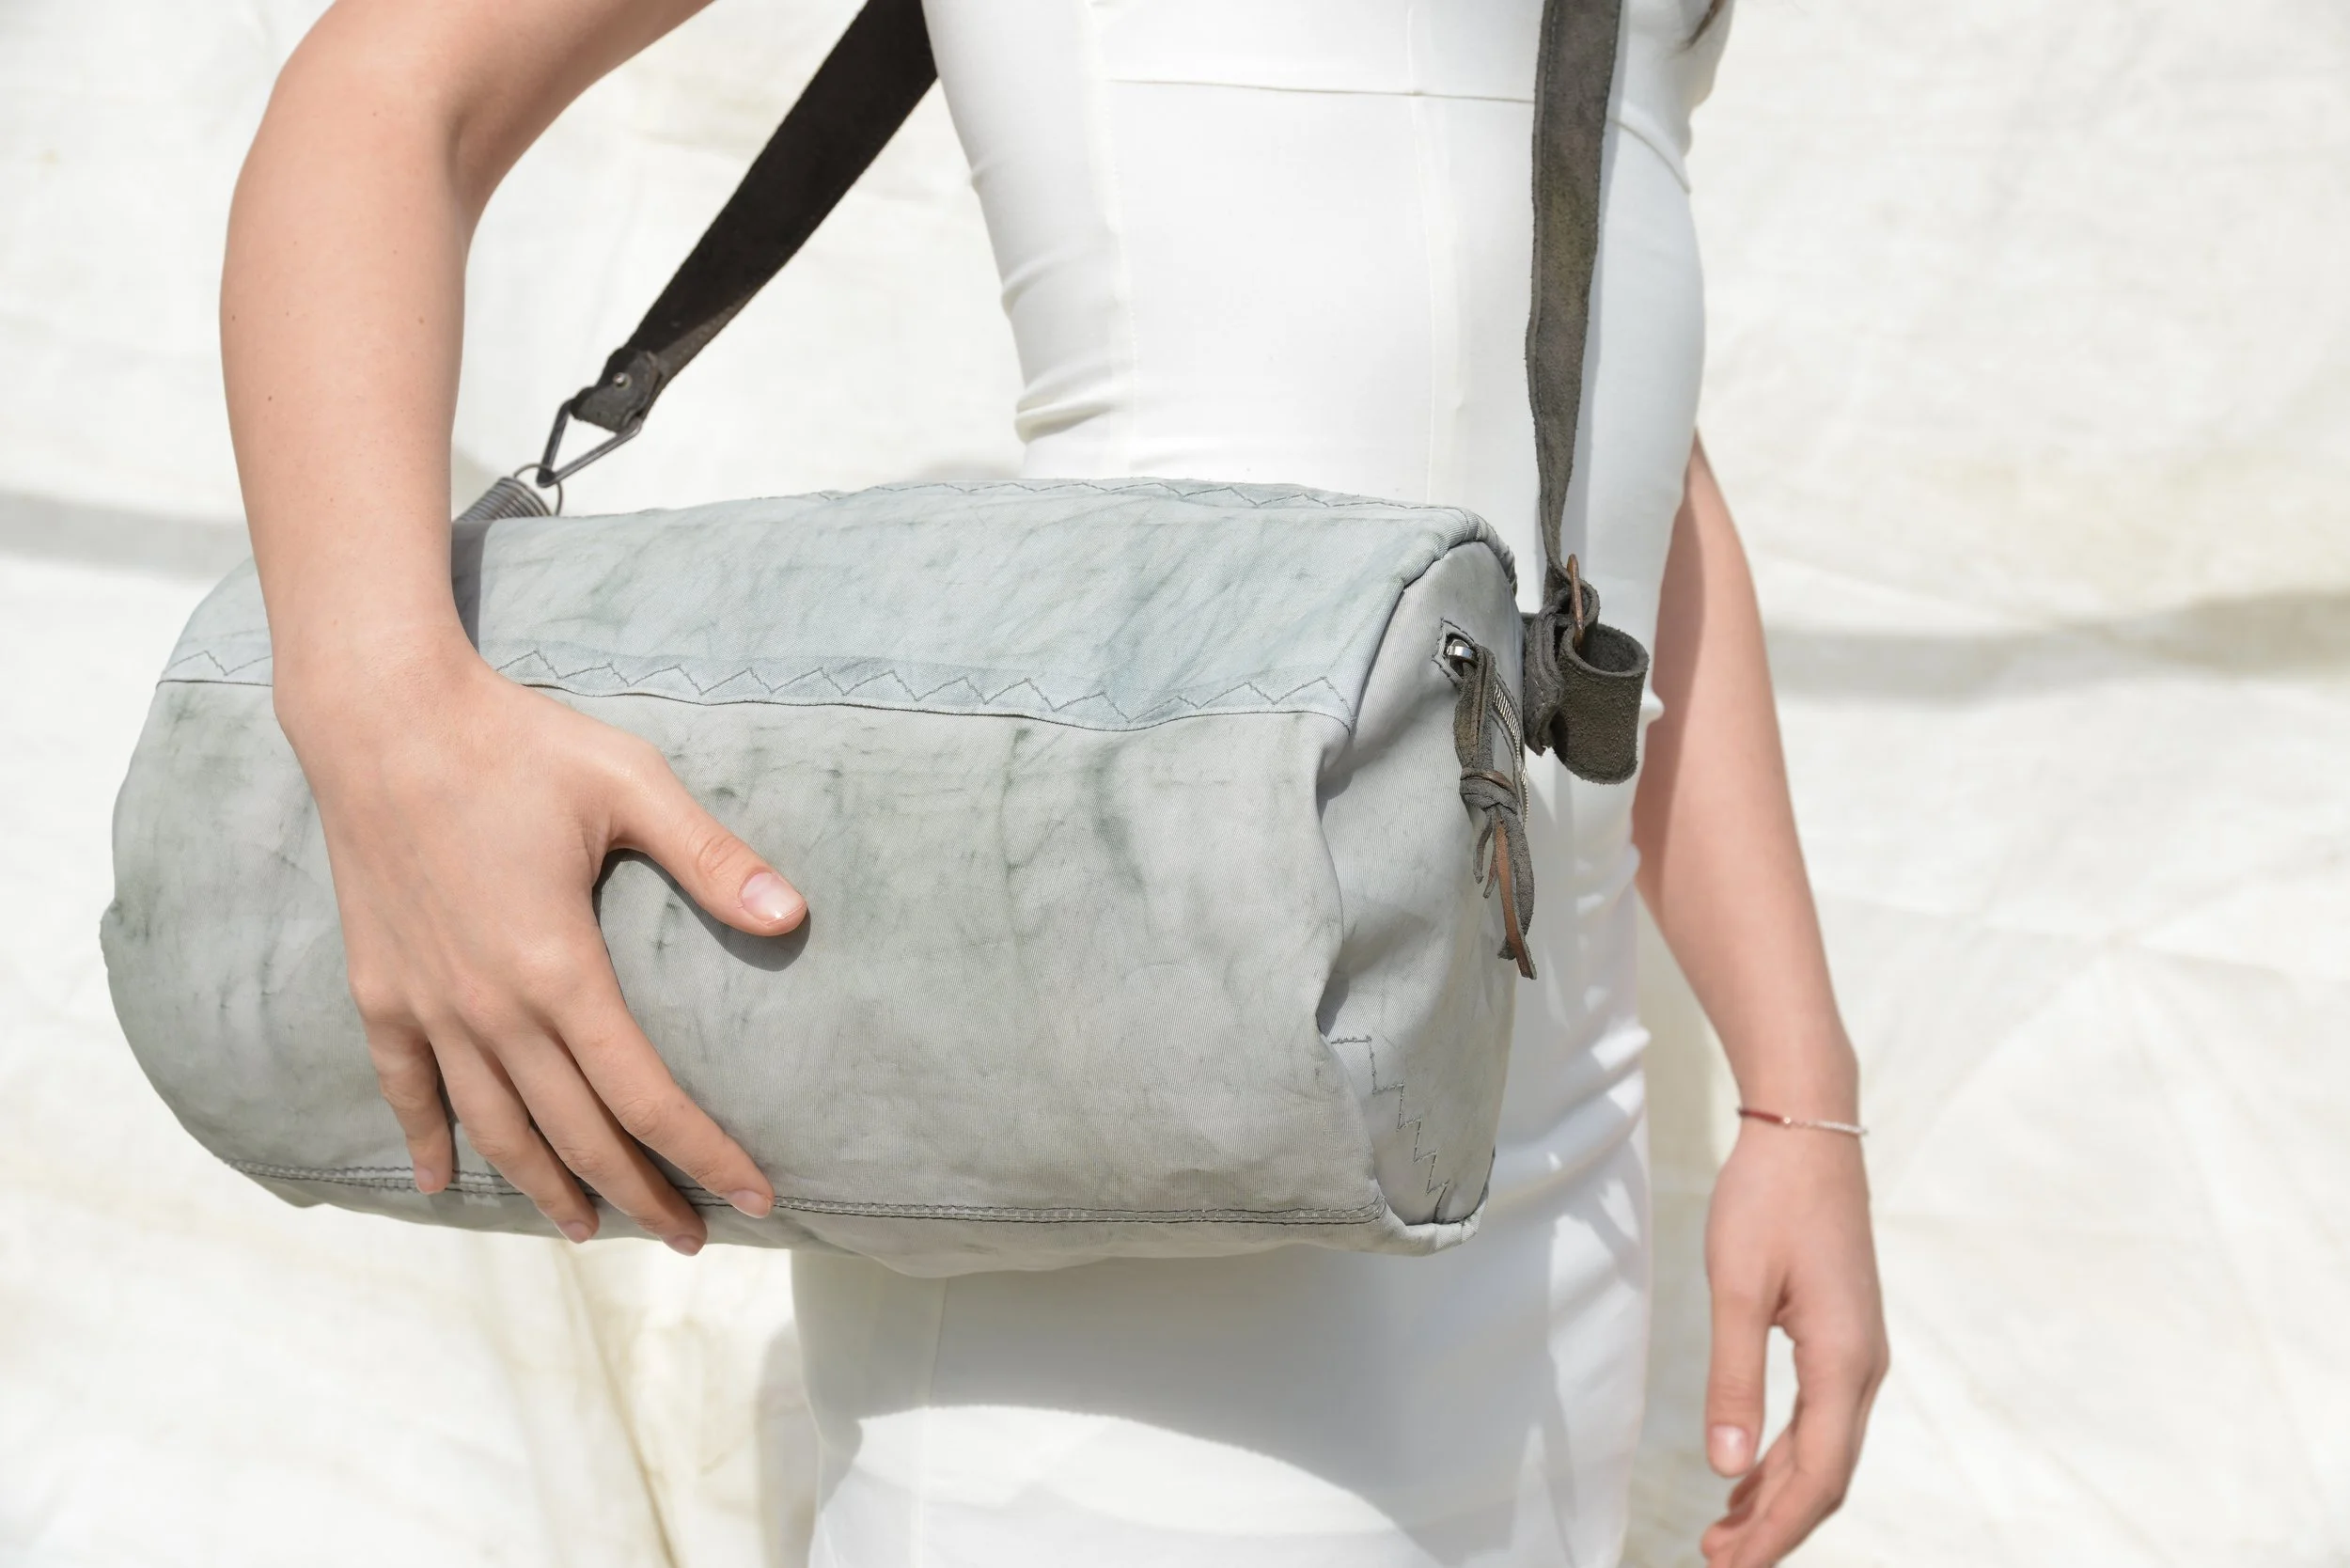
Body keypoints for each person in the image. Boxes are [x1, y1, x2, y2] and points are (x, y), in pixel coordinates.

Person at [220, 0, 1888, 1561]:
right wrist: (389, 728)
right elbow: (390, 90)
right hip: (1136, 1152)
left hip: (1557, 1209)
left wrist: (1797, 1089)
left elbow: (1610, 449)